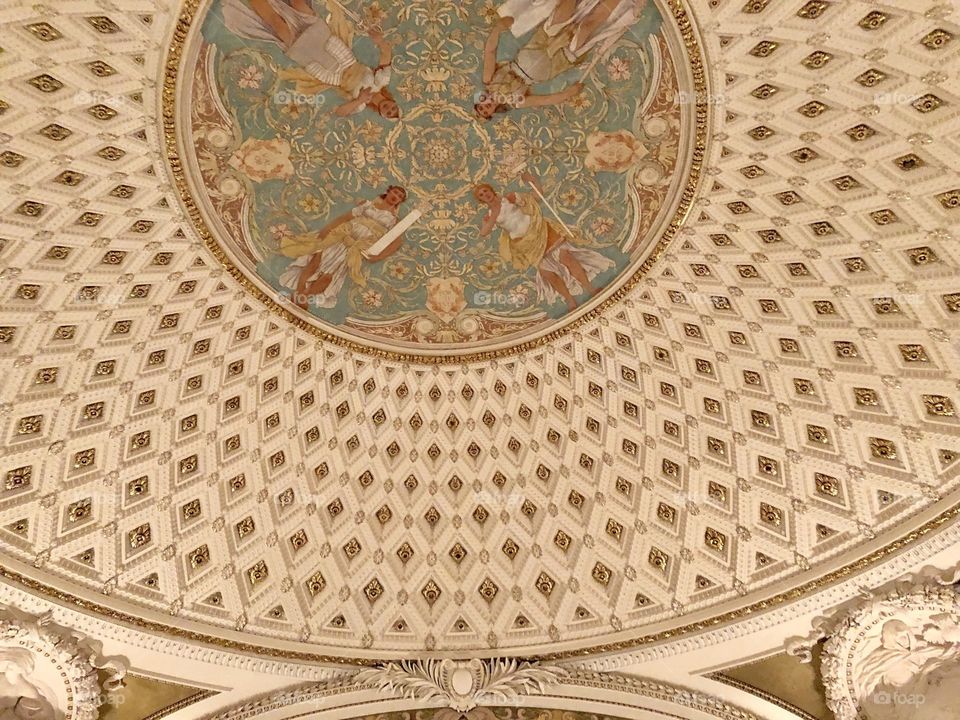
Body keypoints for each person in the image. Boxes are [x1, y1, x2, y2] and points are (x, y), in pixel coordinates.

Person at [222, 0, 400, 119]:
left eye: (388, 113)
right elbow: (386, 54)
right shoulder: (381, 81)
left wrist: (360, 100)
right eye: (393, 108)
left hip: (324, 68)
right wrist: (379, 41)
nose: (389, 109)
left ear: (381, 113)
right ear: (393, 101)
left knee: (277, 24)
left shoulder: (361, 105)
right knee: (299, 3)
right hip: (338, 53)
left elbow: (339, 112)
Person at [475, 174, 613, 311]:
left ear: (491, 190)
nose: (485, 195)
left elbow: (536, 197)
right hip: (525, 244)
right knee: (548, 274)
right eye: (481, 195)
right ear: (481, 200)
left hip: (539, 230)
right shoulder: (489, 215)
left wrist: (534, 180)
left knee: (567, 258)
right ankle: (570, 300)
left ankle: (590, 288)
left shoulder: (509, 198)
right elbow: (483, 232)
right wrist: (494, 213)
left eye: (485, 191)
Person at [278, 186, 408, 310]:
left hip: (354, 248)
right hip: (340, 236)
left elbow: (396, 243)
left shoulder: (393, 220)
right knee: (316, 260)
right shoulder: (368, 205)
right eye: (395, 192)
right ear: (389, 191)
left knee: (332, 275)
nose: (396, 196)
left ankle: (304, 298)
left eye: (400, 196)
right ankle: (299, 291)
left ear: (400, 201)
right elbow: (345, 218)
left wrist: (378, 256)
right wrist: (327, 230)